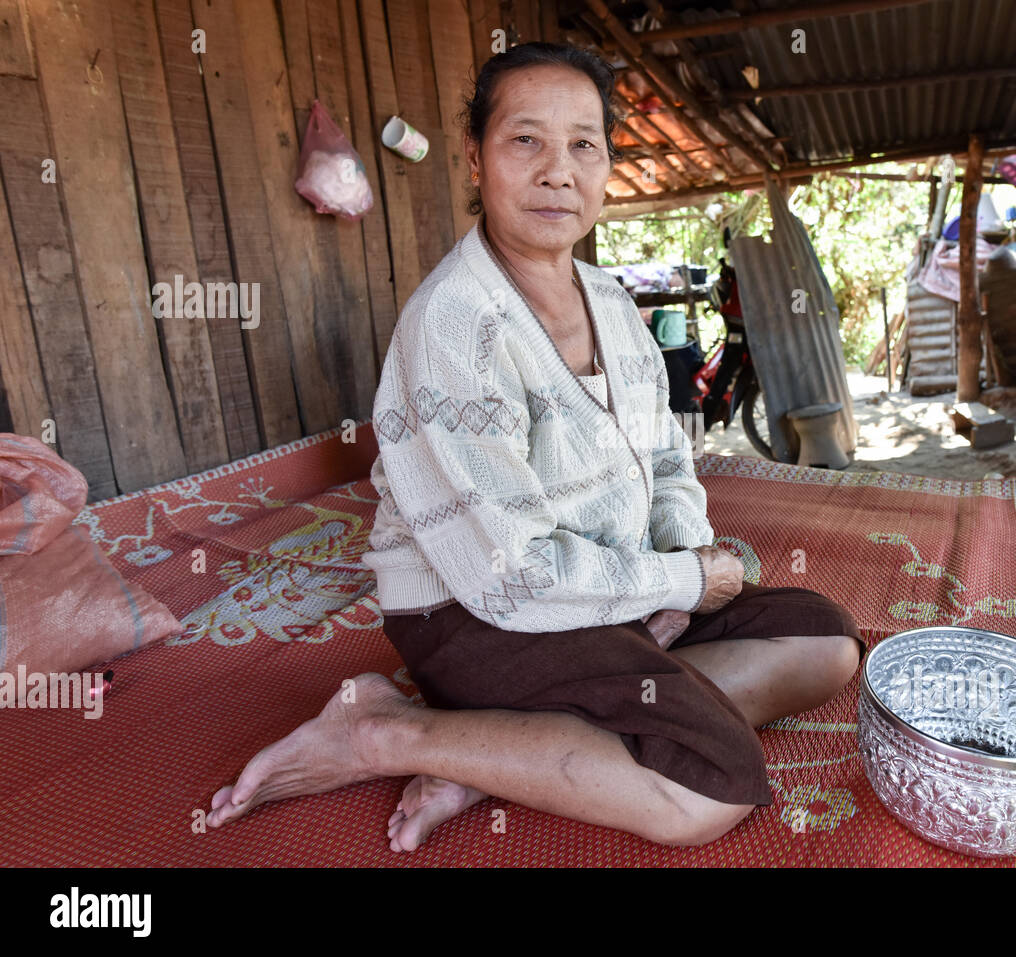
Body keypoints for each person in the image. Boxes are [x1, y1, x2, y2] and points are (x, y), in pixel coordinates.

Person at [206, 41, 864, 851]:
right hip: (481, 610)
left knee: (824, 641)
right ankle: (388, 730)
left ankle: (499, 751)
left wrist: (679, 564)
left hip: (608, 586)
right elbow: (512, 573)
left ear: (607, 165)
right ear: (476, 161)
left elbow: (665, 457)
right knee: (708, 783)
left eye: (583, 145)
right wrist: (685, 580)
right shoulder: (457, 323)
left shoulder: (615, 304)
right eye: (526, 141)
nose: (559, 170)